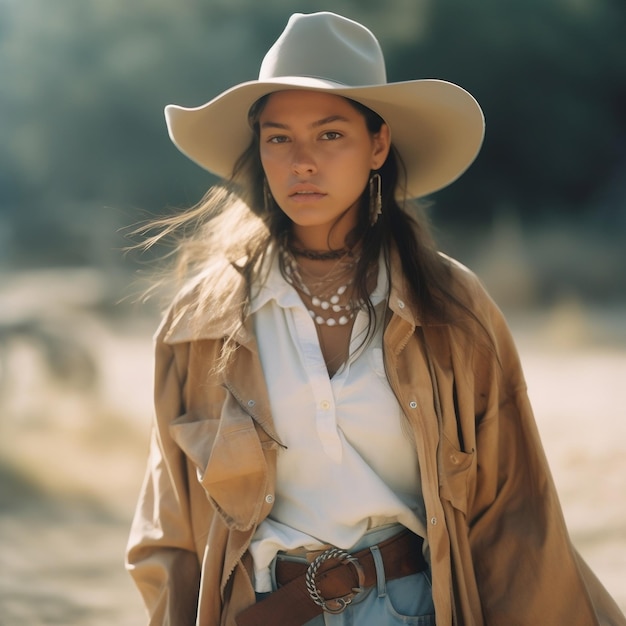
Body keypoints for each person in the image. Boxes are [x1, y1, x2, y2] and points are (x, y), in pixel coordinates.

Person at [125, 11, 625, 626]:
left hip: (411, 608)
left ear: (378, 145)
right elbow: (167, 534)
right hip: (261, 612)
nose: (301, 161)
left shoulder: (452, 308)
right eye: (279, 137)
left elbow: (515, 516)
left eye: (330, 134)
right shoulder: (200, 321)